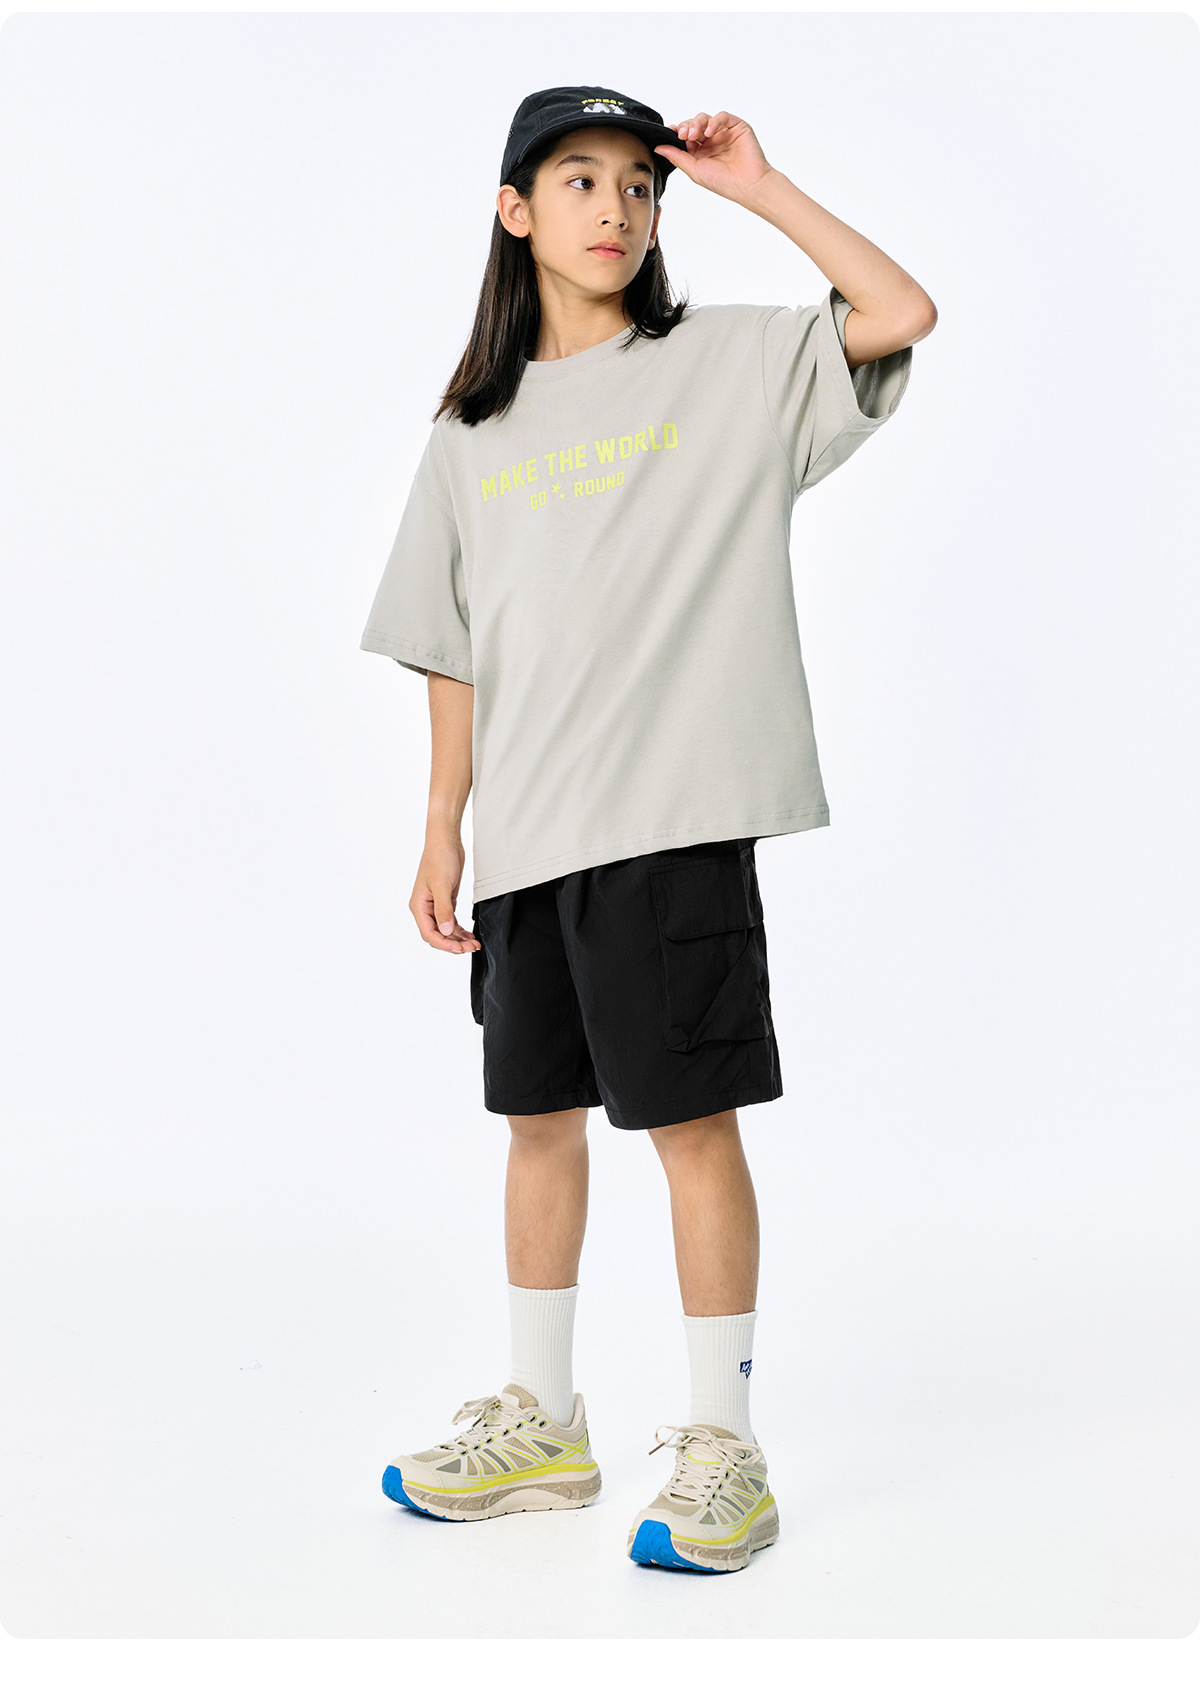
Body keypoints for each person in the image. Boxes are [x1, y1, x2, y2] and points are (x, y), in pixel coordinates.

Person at [361, 85, 935, 1573]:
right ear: (515, 211)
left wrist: (761, 187)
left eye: (638, 183)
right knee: (535, 1125)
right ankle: (544, 1423)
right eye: (578, 179)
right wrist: (442, 826)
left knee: (689, 1127)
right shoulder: (470, 431)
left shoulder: (726, 364)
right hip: (530, 837)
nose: (615, 207)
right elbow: (453, 640)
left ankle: (722, 1444)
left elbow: (899, 310)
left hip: (670, 821)